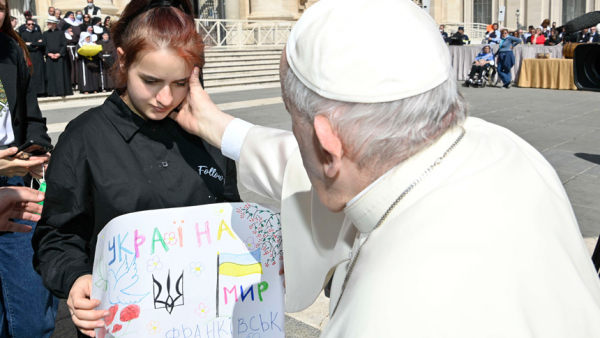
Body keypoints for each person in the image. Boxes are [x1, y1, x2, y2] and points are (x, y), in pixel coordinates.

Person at [172, 1, 600, 336]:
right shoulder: (505, 149)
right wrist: (216, 125)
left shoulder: (386, 318)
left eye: (292, 119)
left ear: (326, 144)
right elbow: (309, 162)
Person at [32, 1, 241, 337]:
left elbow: (232, 215)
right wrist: (75, 278)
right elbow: (57, 235)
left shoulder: (208, 135)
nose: (164, 98)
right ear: (123, 59)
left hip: (205, 318)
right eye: (151, 81)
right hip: (123, 321)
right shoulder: (85, 137)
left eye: (179, 83)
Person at [0, 1, 58, 336]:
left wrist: (36, 149)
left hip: (17, 181)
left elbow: (32, 116)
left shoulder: (12, 50)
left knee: (33, 312)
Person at [43, 16, 73, 97]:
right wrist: (48, 53)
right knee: (50, 75)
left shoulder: (60, 33)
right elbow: (44, 45)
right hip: (50, 57)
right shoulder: (45, 34)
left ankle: (61, 91)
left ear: (54, 24)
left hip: (59, 57)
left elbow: (64, 44)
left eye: (49, 23)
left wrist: (59, 54)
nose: (48, 24)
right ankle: (52, 92)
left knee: (60, 75)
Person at [19, 18, 46, 95]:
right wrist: (36, 45)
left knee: (39, 73)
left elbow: (42, 44)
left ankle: (41, 91)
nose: (31, 26)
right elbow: (23, 46)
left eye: (32, 24)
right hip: (29, 55)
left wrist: (30, 44)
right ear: (26, 25)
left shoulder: (38, 34)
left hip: (38, 55)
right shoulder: (23, 34)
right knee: (31, 73)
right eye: (29, 24)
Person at [63, 25, 79, 90]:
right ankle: (71, 82)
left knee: (75, 66)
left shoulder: (73, 35)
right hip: (68, 51)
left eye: (71, 28)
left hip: (74, 50)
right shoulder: (64, 35)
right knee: (70, 66)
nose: (70, 29)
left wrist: (73, 36)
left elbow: (76, 41)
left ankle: (76, 81)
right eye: (69, 28)